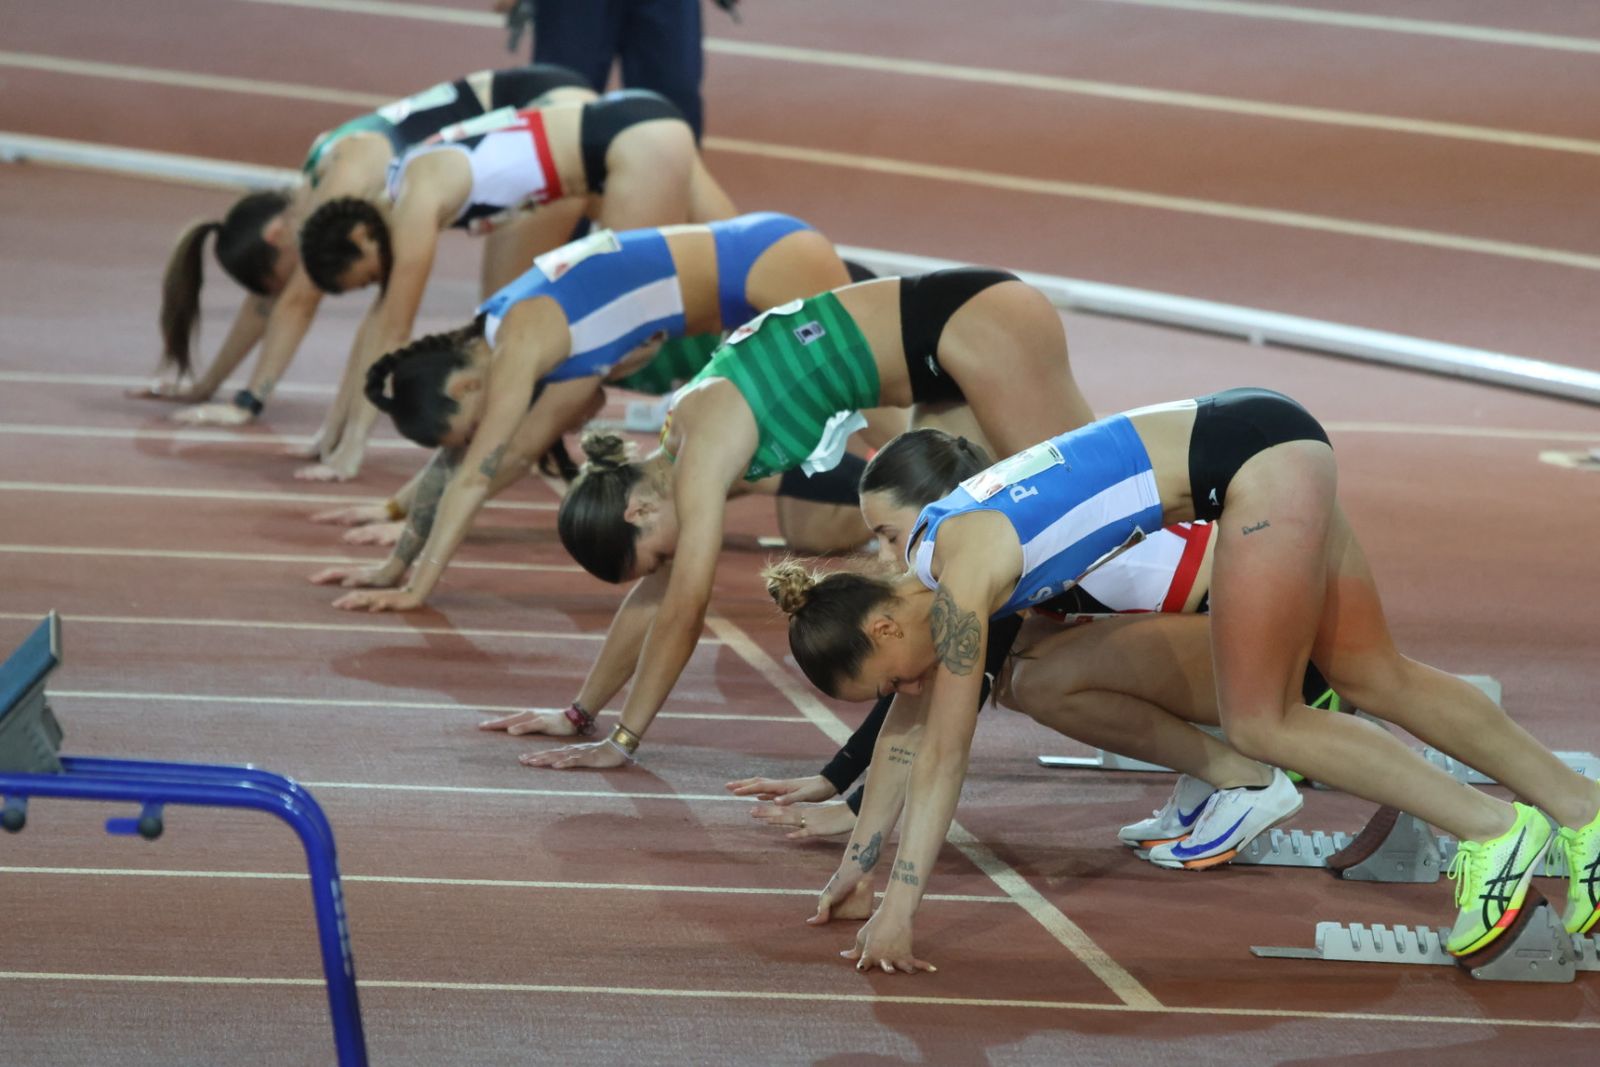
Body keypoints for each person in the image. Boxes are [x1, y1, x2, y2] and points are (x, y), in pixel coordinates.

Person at [772, 388, 1600, 973]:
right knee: (1373, 673)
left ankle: (1493, 831)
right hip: (1263, 431)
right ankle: (1582, 814)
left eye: (881, 680)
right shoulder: (925, 558)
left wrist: (904, 907)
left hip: (1249, 468)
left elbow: (944, 755)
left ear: (884, 627)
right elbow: (910, 736)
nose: (894, 693)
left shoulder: (960, 584)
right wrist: (860, 862)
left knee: (1261, 722)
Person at [486, 268, 1095, 762]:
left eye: (660, 553)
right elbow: (658, 598)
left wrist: (625, 740)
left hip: (970, 320)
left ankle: (1177, 669)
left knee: (1079, 511)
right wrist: (580, 713)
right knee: (946, 550)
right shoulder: (682, 446)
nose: (668, 565)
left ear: (639, 507)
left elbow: (684, 608)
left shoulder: (699, 443)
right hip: (939, 362)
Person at [731, 427, 1335, 864]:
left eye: (891, 535)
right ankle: (1220, 768)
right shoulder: (995, 533)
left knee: (1038, 680)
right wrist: (838, 782)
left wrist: (854, 803)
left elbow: (935, 712)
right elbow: (916, 690)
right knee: (1028, 673)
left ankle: (1245, 774)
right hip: (1245, 625)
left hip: (1277, 652)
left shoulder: (980, 558)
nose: (890, 557)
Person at [304, 212, 868, 610]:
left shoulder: (520, 341)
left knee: (884, 412)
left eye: (474, 425)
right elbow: (474, 461)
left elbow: (479, 472)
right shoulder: (513, 335)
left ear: (468, 386)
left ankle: (938, 510)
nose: (481, 434)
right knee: (822, 459)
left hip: (769, 263)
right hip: (758, 268)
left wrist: (414, 583)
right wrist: (398, 538)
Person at [289, 88, 737, 482]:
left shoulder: (413, 203)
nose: (380, 280)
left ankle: (544, 450)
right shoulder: (404, 179)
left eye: (368, 273)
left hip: (631, 145)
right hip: (636, 127)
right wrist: (333, 430)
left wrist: (352, 450)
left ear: (360, 236)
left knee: (622, 331)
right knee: (742, 259)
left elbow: (393, 329)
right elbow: (381, 321)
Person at [148, 65, 594, 434]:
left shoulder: (343, 177)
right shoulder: (319, 181)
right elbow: (269, 305)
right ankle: (535, 418)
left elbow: (296, 304)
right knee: (505, 310)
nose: (305, 281)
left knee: (508, 313)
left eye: (284, 276)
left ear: (276, 235)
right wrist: (206, 386)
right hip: (545, 115)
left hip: (555, 112)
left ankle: (536, 427)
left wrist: (249, 403)